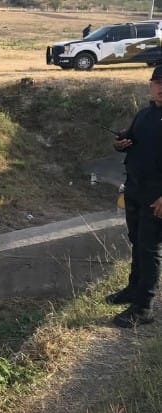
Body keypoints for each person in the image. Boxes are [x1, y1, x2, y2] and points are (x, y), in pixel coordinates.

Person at [107, 66, 162, 328]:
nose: (161, 88)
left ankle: (143, 307)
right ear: (151, 85)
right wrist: (120, 144)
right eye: (158, 83)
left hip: (157, 195)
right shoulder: (144, 115)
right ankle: (133, 289)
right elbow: (129, 141)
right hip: (135, 189)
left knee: (150, 248)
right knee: (137, 241)